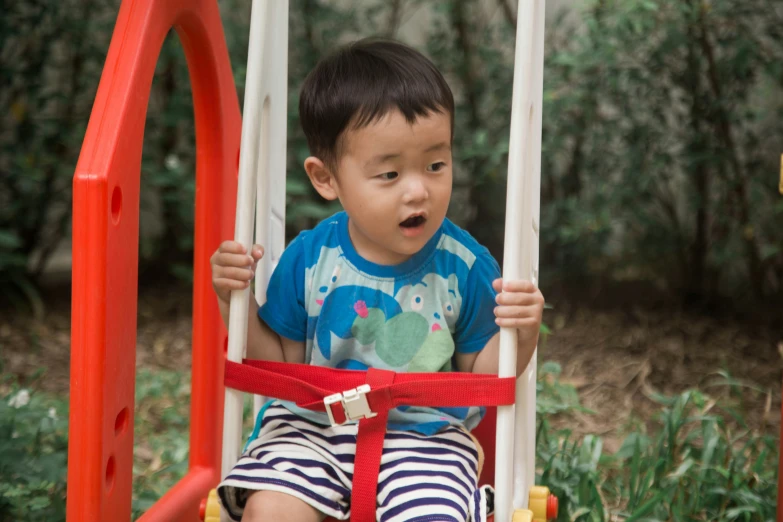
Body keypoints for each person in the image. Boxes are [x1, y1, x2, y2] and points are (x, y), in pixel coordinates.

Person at [210, 38, 544, 522]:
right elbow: (277, 366)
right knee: (274, 508)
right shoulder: (308, 259)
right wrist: (232, 303)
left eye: (436, 165)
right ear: (326, 179)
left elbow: (484, 376)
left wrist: (521, 334)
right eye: (389, 173)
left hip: (424, 443)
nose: (418, 190)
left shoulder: (466, 267)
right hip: (310, 430)